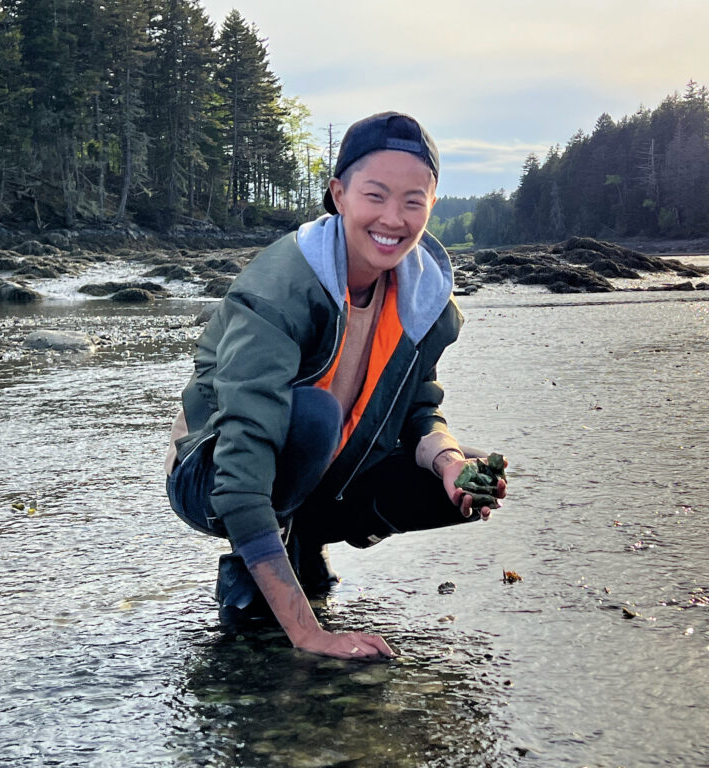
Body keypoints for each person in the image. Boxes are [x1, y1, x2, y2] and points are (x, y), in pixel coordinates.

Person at [164, 111, 506, 660]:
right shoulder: (279, 290)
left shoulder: (422, 300)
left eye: (412, 201)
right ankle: (253, 567)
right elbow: (241, 467)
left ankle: (304, 539)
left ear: (432, 206)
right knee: (316, 415)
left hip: (326, 473)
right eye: (375, 195)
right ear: (339, 193)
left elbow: (420, 411)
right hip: (211, 475)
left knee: (468, 471)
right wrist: (311, 635)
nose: (393, 219)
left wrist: (448, 464)